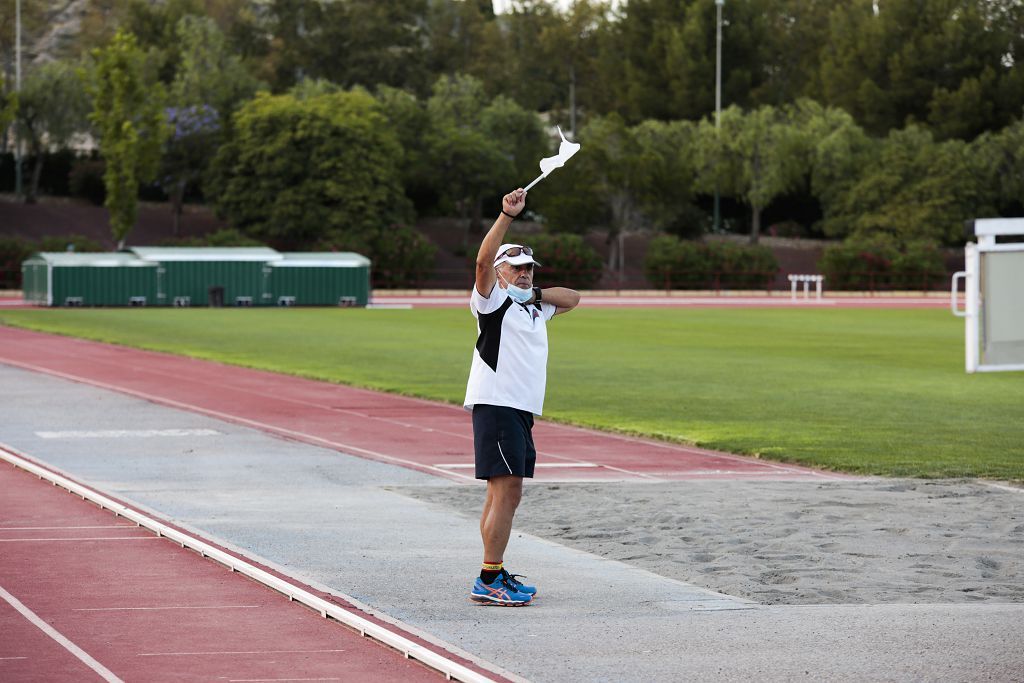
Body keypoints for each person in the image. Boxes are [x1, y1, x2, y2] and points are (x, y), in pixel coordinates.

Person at [464, 188, 581, 606]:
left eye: (528, 268)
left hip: (519, 408)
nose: (524, 273)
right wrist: (505, 217)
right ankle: (488, 578)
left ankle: (492, 572)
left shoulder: (530, 305)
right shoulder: (491, 303)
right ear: (499, 274)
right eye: (515, 268)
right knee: (509, 489)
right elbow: (481, 261)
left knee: (501, 492)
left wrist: (533, 294)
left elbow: (573, 299)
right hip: (498, 402)